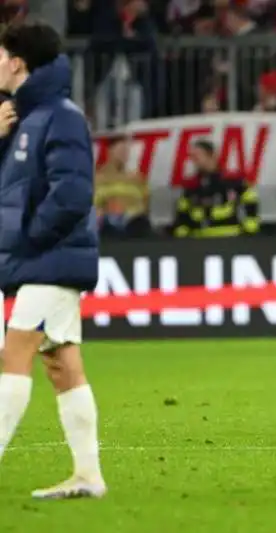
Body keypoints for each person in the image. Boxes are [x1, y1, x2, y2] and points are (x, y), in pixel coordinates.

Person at [0, 21, 105, 499]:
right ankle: (88, 476)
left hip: (51, 258)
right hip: (45, 259)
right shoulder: (28, 118)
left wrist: (28, 239)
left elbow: (73, 194)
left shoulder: (59, 116)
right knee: (62, 365)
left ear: (17, 61)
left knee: (14, 354)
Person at [172, 139, 261, 238]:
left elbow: (250, 199)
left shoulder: (231, 180)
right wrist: (182, 232)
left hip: (230, 238)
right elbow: (182, 210)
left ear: (211, 155)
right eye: (192, 156)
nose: (194, 160)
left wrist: (250, 226)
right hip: (199, 241)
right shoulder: (192, 184)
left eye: (197, 155)